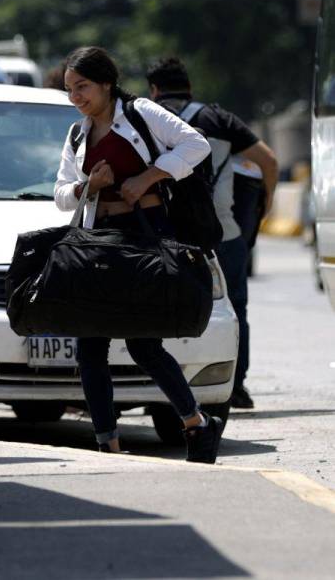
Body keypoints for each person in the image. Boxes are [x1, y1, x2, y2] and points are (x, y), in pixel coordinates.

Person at [54, 46, 223, 463]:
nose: (76, 97)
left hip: (146, 236)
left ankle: (196, 423)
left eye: (83, 87)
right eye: (70, 90)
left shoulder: (142, 112)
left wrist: (149, 176)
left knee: (144, 343)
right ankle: (107, 443)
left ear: (107, 83)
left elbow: (195, 144)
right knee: (89, 346)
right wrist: (86, 187)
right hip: (99, 239)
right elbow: (60, 194)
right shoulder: (77, 133)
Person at [146, 57, 278, 409]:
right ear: (188, 86)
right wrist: (264, 209)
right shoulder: (218, 119)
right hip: (224, 233)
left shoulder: (144, 120)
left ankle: (161, 384)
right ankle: (234, 386)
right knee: (234, 308)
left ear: (154, 89)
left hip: (165, 235)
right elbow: (269, 162)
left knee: (159, 310)